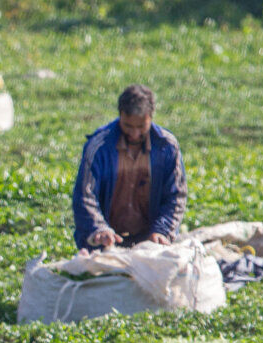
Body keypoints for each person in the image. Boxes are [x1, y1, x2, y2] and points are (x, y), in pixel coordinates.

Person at [72, 84, 186, 251]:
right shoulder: (99, 147)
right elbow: (85, 194)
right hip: (107, 242)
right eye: (128, 126)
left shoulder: (167, 146)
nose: (134, 134)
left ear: (151, 117)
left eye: (141, 127)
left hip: (150, 240)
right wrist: (99, 228)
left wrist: (162, 230)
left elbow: (176, 196)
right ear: (120, 116)